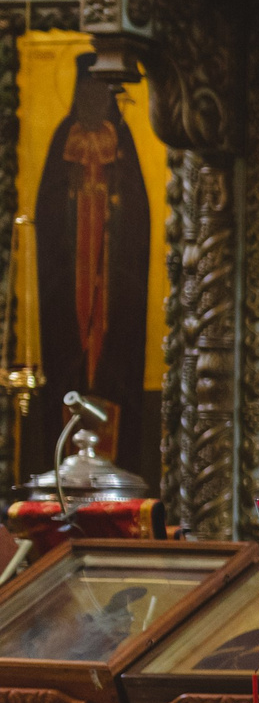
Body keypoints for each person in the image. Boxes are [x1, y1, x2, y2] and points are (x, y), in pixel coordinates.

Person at [31, 53, 154, 485]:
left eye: (100, 93)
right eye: (86, 92)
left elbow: (138, 213)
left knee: (112, 352)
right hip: (69, 272)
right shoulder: (62, 139)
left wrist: (115, 219)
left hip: (112, 274)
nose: (92, 100)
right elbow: (47, 209)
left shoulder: (121, 140)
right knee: (67, 345)